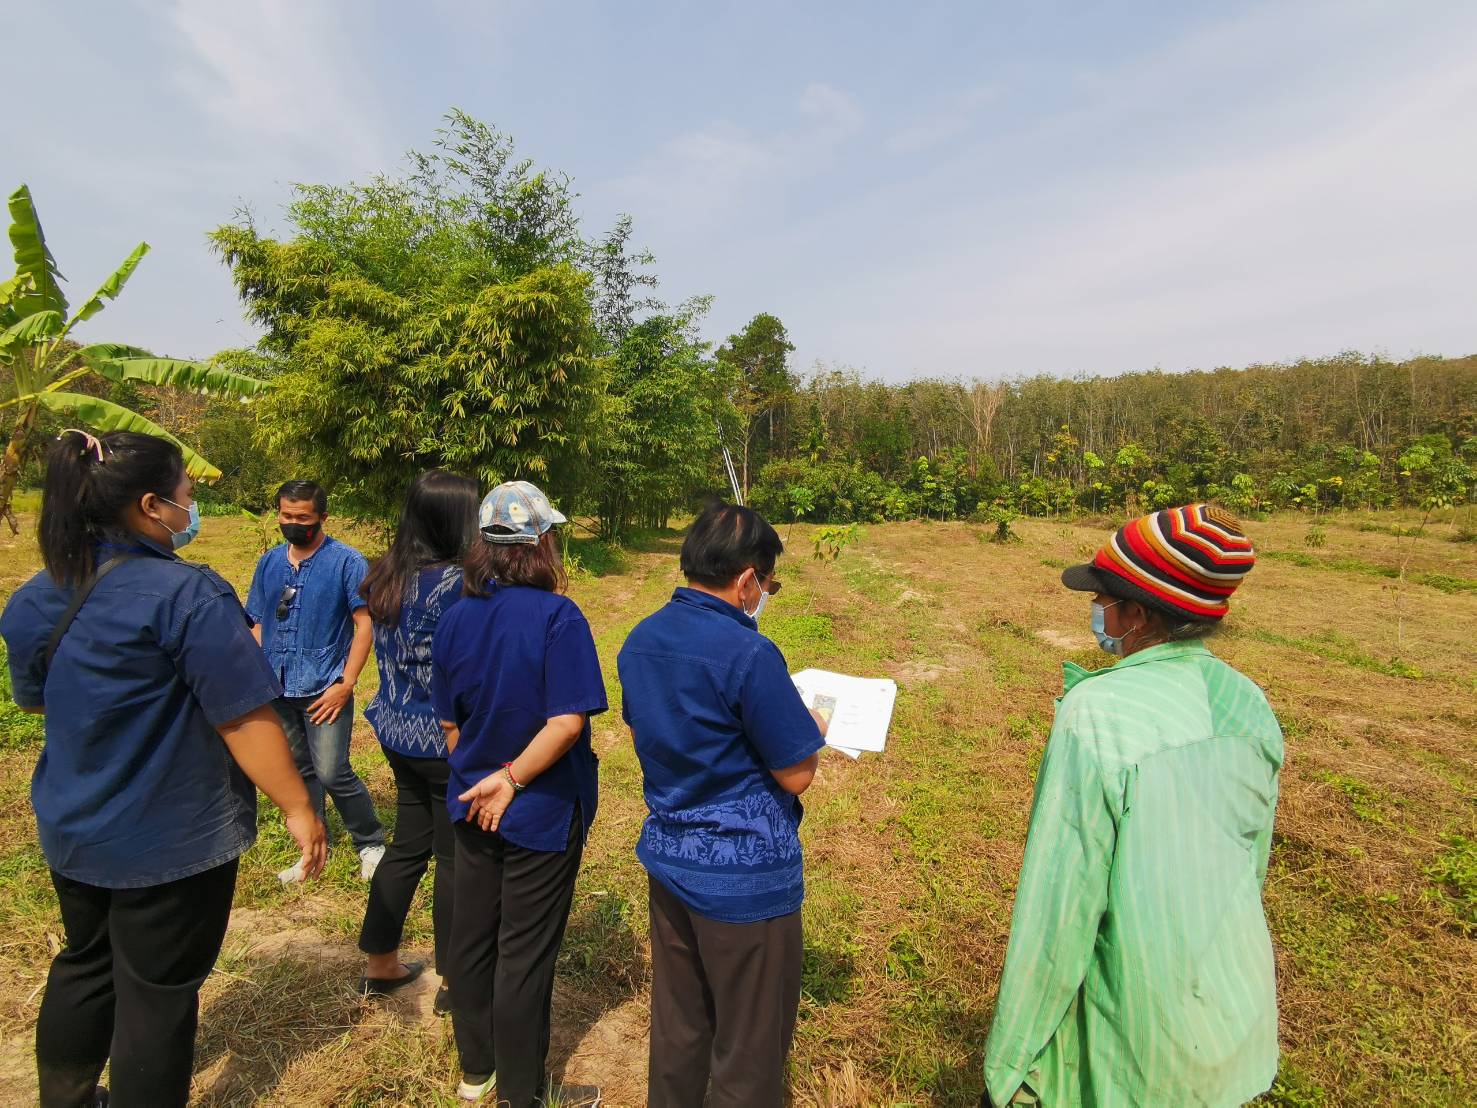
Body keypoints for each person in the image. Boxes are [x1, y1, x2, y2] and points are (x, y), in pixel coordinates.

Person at [0, 430, 327, 1108]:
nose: (191, 504)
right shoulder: (187, 595)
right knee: (157, 993)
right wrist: (299, 808)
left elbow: (36, 703)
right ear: (150, 505)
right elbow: (245, 718)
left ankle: (65, 1098)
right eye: (185, 493)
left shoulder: (36, 595)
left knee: (84, 963)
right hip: (170, 839)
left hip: (73, 826)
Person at [982, 503, 1282, 1108]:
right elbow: (1252, 864)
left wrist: (1009, 1065)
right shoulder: (1249, 704)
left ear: (1138, 616)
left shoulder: (1096, 714)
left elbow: (1060, 908)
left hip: (1137, 1037)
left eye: (1103, 601)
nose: (1096, 612)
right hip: (1235, 1015)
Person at [617, 502, 828, 1108]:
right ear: (745, 580)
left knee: (681, 1027)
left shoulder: (642, 638)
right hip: (746, 880)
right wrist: (807, 724)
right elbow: (796, 774)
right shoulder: (750, 653)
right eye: (768, 582)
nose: (765, 594)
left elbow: (648, 734)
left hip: (672, 863)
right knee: (749, 1050)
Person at [434, 481, 607, 1108]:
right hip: (537, 809)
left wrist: (481, 776)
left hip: (470, 802)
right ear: (541, 543)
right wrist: (512, 780)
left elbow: (449, 722)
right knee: (525, 953)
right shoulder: (558, 617)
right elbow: (566, 721)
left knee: (474, 939)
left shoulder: (456, 617)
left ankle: (474, 1072)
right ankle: (519, 1091)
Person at [356, 470, 479, 1012]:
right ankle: (455, 980)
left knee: (407, 845)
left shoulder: (385, 574)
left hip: (396, 728)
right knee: (456, 860)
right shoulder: (460, 586)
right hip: (444, 739)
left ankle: (380, 962)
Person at [246, 479, 385, 882]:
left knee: (331, 770)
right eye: (286, 516)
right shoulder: (270, 563)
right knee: (299, 769)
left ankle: (370, 842)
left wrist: (346, 682)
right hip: (277, 686)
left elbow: (364, 626)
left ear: (323, 517)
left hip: (325, 687)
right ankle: (312, 849)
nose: (293, 523)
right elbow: (259, 621)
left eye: (303, 517)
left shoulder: (346, 562)